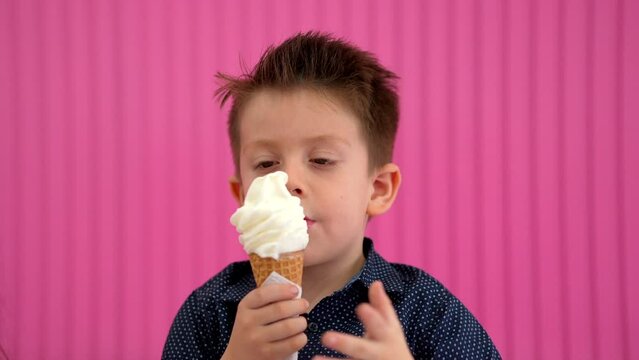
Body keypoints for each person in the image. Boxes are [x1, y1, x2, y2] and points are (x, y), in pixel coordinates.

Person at [162, 31, 500, 360]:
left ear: (378, 189)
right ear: (242, 197)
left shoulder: (426, 312)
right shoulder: (208, 313)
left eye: (321, 160)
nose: (289, 180)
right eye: (266, 164)